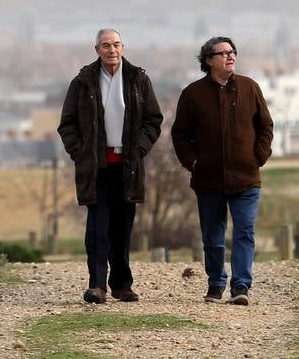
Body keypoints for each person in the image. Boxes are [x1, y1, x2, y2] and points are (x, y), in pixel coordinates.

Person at [56, 28, 164, 303]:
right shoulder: (83, 82)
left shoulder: (138, 79)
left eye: (116, 45)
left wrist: (139, 150)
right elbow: (67, 124)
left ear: (123, 47)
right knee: (98, 228)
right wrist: (80, 153)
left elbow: (153, 120)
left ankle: (121, 284)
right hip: (97, 167)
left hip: (128, 166)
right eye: (106, 45)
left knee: (123, 227)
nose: (111, 50)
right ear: (97, 50)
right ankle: (97, 285)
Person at [171, 36, 273, 305]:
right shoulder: (193, 94)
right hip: (208, 181)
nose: (231, 57)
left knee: (244, 232)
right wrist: (193, 163)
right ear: (208, 60)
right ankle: (215, 283)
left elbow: (265, 127)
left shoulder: (250, 88)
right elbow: (180, 135)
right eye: (224, 53)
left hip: (246, 178)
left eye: (233, 52)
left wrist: (259, 157)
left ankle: (241, 286)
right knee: (213, 237)